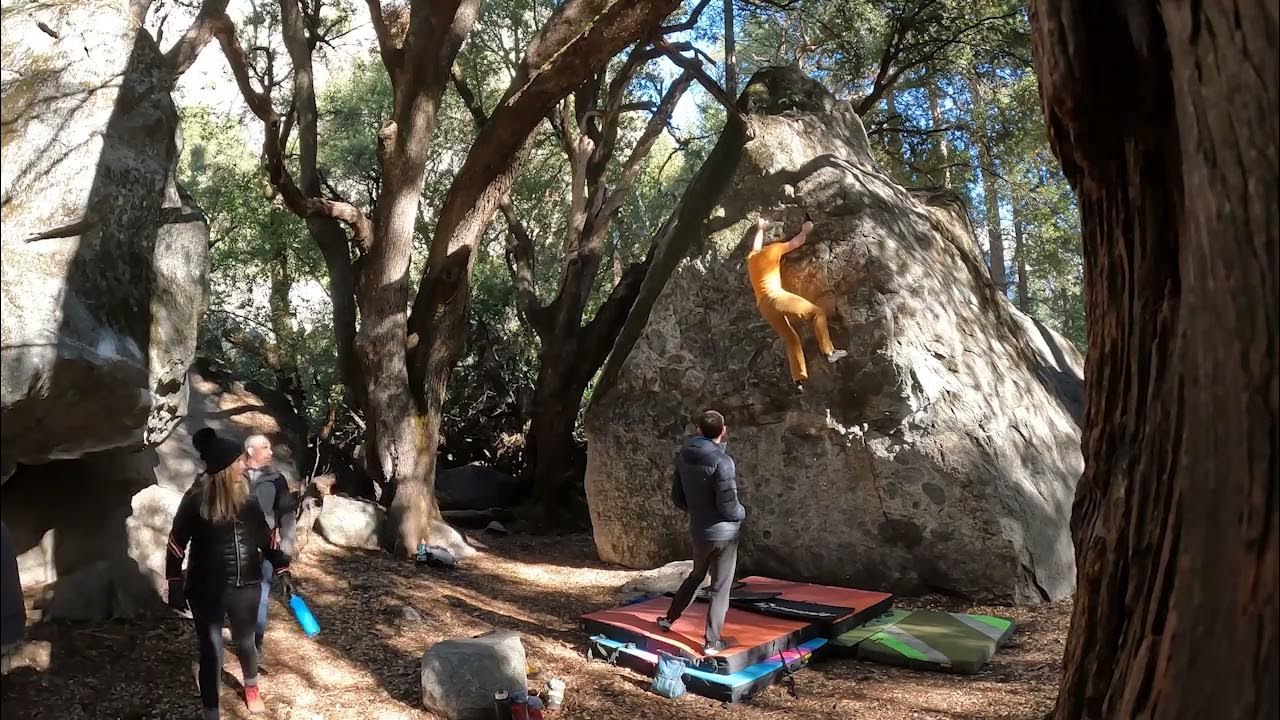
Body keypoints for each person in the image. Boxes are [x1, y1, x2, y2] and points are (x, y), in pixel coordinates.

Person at [170, 431, 291, 718]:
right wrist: (175, 582)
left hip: (245, 586)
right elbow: (176, 543)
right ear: (225, 469)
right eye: (238, 460)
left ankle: (251, 686)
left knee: (246, 643)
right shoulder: (195, 500)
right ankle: (211, 711)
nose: (243, 465)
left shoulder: (248, 501)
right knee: (211, 653)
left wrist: (282, 566)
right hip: (204, 588)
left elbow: (265, 538)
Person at [656, 410, 744, 656]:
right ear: (723, 431)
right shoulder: (723, 462)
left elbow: (677, 497)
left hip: (699, 530)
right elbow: (728, 504)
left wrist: (697, 511)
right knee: (720, 587)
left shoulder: (683, 456)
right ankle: (713, 642)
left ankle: (669, 619)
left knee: (696, 575)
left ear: (698, 430)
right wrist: (741, 514)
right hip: (725, 533)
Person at [747, 215, 848, 393]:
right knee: (817, 313)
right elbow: (796, 242)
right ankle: (829, 352)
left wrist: (760, 228)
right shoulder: (773, 250)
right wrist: (806, 229)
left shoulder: (752, 258)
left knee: (790, 338)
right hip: (776, 297)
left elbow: (756, 246)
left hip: (763, 306)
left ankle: (798, 380)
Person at [240, 433, 297, 655]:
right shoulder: (233, 475)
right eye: (265, 447)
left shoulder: (276, 479)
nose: (271, 452)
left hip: (265, 550)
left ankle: (255, 644)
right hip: (233, 549)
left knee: (260, 597)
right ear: (251, 451)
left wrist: (286, 550)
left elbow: (286, 515)